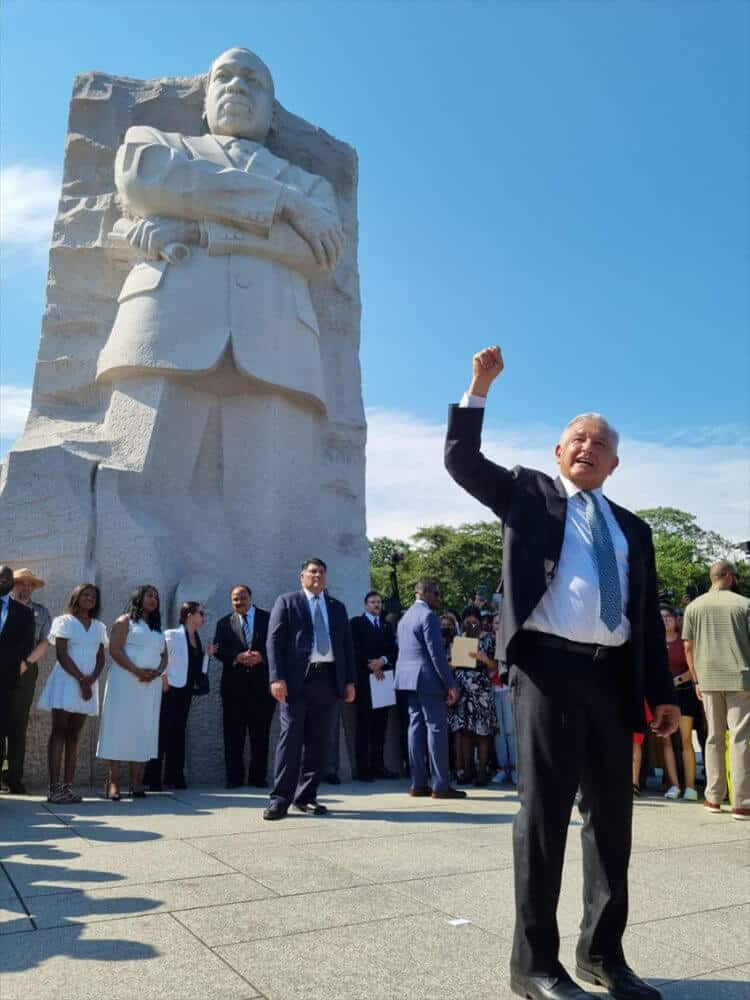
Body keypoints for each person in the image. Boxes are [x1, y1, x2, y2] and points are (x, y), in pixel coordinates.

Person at [445, 346, 679, 1000]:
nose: (587, 447)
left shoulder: (633, 528)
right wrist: (478, 387)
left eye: (600, 443)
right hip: (547, 671)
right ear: (558, 451)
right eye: (577, 438)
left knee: (612, 820)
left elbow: (642, 619)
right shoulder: (528, 493)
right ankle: (535, 966)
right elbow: (460, 461)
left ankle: (603, 955)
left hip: (611, 681)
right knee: (543, 818)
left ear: (615, 462)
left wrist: (660, 696)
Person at [264, 558, 356, 820]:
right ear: (301, 576)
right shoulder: (287, 602)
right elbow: (274, 642)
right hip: (296, 682)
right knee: (291, 738)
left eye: (322, 572)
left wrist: (349, 681)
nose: (317, 576)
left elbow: (346, 647)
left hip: (327, 681)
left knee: (319, 742)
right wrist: (276, 678)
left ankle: (306, 797)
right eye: (312, 572)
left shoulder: (337, 607)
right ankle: (280, 799)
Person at [683, 561, 750, 820]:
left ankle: (713, 797)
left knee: (713, 737)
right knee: (739, 738)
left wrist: (697, 681)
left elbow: (688, 646)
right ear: (730, 577)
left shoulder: (694, 607)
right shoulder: (744, 605)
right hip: (741, 678)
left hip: (708, 680)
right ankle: (742, 802)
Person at [394, 579, 465, 800]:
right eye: (436, 593)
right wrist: (450, 684)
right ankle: (441, 785)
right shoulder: (428, 616)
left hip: (407, 679)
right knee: (436, 728)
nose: (438, 597)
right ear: (424, 593)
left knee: (415, 728)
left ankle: (418, 783)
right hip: (427, 679)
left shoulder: (404, 618)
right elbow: (436, 655)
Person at [37, 584, 107, 803]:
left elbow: (101, 657)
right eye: (86, 594)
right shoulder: (64, 621)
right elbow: (61, 654)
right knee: (59, 730)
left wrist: (92, 680)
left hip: (88, 684)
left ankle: (67, 787)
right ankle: (53, 788)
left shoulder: (99, 626)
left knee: (74, 734)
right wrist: (81, 680)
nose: (90, 598)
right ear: (76, 596)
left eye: (94, 596)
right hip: (67, 682)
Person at [97, 585, 167, 800]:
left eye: (156, 596)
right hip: (125, 681)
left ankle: (136, 781)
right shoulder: (125, 620)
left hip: (149, 685)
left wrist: (157, 672)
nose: (153, 599)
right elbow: (115, 650)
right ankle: (113, 782)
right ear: (138, 598)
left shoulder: (157, 628)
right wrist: (137, 671)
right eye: (149, 595)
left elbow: (165, 655)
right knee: (119, 728)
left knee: (143, 729)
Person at [144, 601, 216, 791]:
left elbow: (198, 668)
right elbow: (159, 655)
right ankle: (153, 778)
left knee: (178, 733)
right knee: (162, 732)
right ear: (189, 615)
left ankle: (174, 776)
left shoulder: (196, 638)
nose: (203, 617)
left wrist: (207, 655)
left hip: (185, 691)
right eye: (200, 613)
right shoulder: (172, 634)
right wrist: (163, 676)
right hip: (170, 689)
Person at [213, 585, 273, 788]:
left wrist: (262, 657)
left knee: (260, 735)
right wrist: (237, 657)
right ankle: (234, 779)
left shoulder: (269, 618)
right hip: (233, 689)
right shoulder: (223, 623)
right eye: (235, 599)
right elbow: (219, 651)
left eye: (242, 598)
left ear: (250, 597)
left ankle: (258, 778)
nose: (239, 602)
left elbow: (277, 645)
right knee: (233, 735)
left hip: (262, 688)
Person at [2, 568, 52, 794]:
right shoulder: (4, 607)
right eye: (21, 582)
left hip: (25, 670)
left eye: (30, 584)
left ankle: (14, 777)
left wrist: (26, 664)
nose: (26, 587)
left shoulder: (40, 612)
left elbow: (45, 642)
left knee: (18, 725)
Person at [448, 606, 498, 786]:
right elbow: (449, 667)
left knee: (483, 732)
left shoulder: (489, 640)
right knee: (466, 732)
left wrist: (485, 659)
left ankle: (483, 772)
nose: (471, 624)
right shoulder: (458, 640)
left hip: (482, 691)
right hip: (463, 691)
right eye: (467, 621)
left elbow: (496, 667)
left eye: (474, 621)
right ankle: (468, 771)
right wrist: (455, 662)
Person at [351, 591, 398, 781]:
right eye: (372, 602)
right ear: (365, 605)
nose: (376, 605)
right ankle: (364, 769)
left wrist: (383, 661)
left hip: (383, 679)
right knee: (364, 726)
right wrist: (370, 664)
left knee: (381, 725)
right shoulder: (356, 623)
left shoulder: (387, 625)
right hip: (364, 680)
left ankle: (379, 766)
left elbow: (393, 649)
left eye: (379, 602)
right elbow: (353, 648)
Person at [660, 605, 699, 801]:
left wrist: (676, 681)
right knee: (666, 741)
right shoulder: (655, 642)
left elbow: (693, 668)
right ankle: (674, 785)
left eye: (668, 616)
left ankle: (690, 786)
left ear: (676, 620)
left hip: (683, 694)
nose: (665, 620)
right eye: (661, 617)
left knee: (685, 741)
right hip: (663, 696)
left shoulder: (683, 641)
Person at [0, 565, 35, 762]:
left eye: (7, 577)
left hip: (7, 679)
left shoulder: (24, 613)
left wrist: (12, 671)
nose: (2, 580)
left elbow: (26, 647)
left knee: (7, 727)